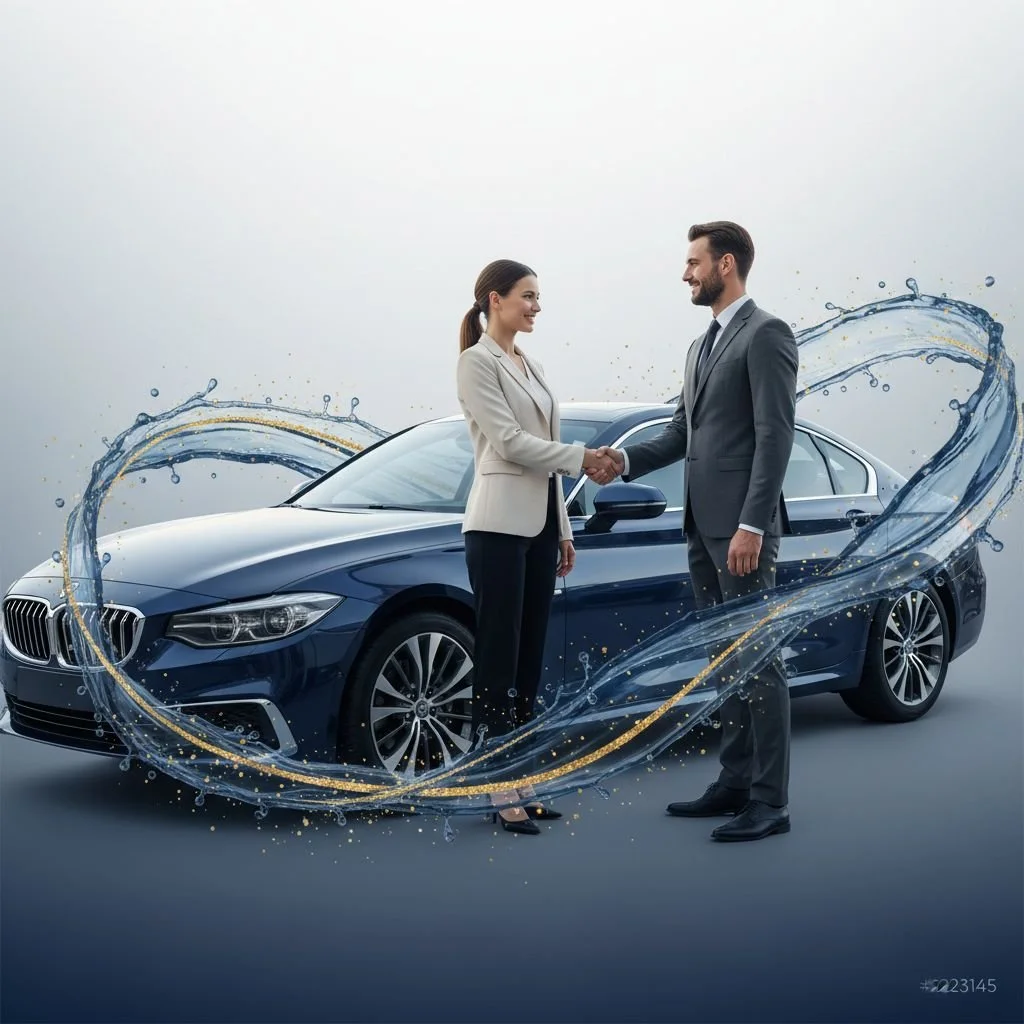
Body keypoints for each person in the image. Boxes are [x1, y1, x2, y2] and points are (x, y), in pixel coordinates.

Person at [587, 222, 799, 842]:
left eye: (692, 262)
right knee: (723, 659)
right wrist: (622, 463)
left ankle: (771, 802)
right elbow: (683, 432)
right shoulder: (698, 347)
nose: (685, 273)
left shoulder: (767, 335)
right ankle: (734, 782)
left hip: (739, 530)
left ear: (725, 264)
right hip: (701, 526)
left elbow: (774, 437)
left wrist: (752, 524)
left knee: (757, 662)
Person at [456, 259, 614, 835]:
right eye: (528, 296)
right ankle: (498, 787)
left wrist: (564, 530)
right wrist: (584, 457)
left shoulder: (531, 363)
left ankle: (522, 776)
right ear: (495, 300)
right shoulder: (477, 363)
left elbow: (541, 449)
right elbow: (512, 443)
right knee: (497, 657)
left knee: (528, 659)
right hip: (496, 527)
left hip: (541, 528)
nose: (536, 306)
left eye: (539, 297)